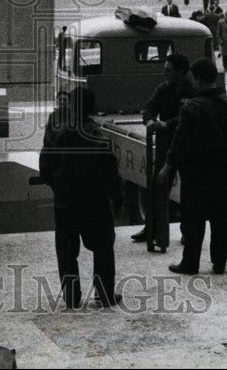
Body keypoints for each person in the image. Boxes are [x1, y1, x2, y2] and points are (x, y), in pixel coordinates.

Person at [160, 58, 227, 275]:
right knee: (220, 218)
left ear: (196, 78)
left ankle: (190, 263)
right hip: (223, 171)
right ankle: (219, 263)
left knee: (194, 219)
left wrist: (167, 166)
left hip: (195, 173)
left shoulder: (191, 107)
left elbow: (179, 142)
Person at [39, 87, 122, 307]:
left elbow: (45, 163)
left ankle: (71, 297)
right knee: (103, 246)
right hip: (94, 200)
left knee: (66, 250)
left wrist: (55, 185)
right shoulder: (97, 134)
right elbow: (110, 170)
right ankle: (104, 295)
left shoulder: (57, 131)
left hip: (65, 200)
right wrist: (117, 197)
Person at [130, 53, 193, 247]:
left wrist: (167, 124)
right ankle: (152, 227)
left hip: (187, 145)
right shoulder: (164, 88)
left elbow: (187, 116)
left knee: (189, 191)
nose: (165, 73)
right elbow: (150, 107)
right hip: (166, 144)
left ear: (181, 72)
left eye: (169, 70)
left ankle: (188, 232)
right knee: (158, 185)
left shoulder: (192, 90)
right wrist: (149, 120)